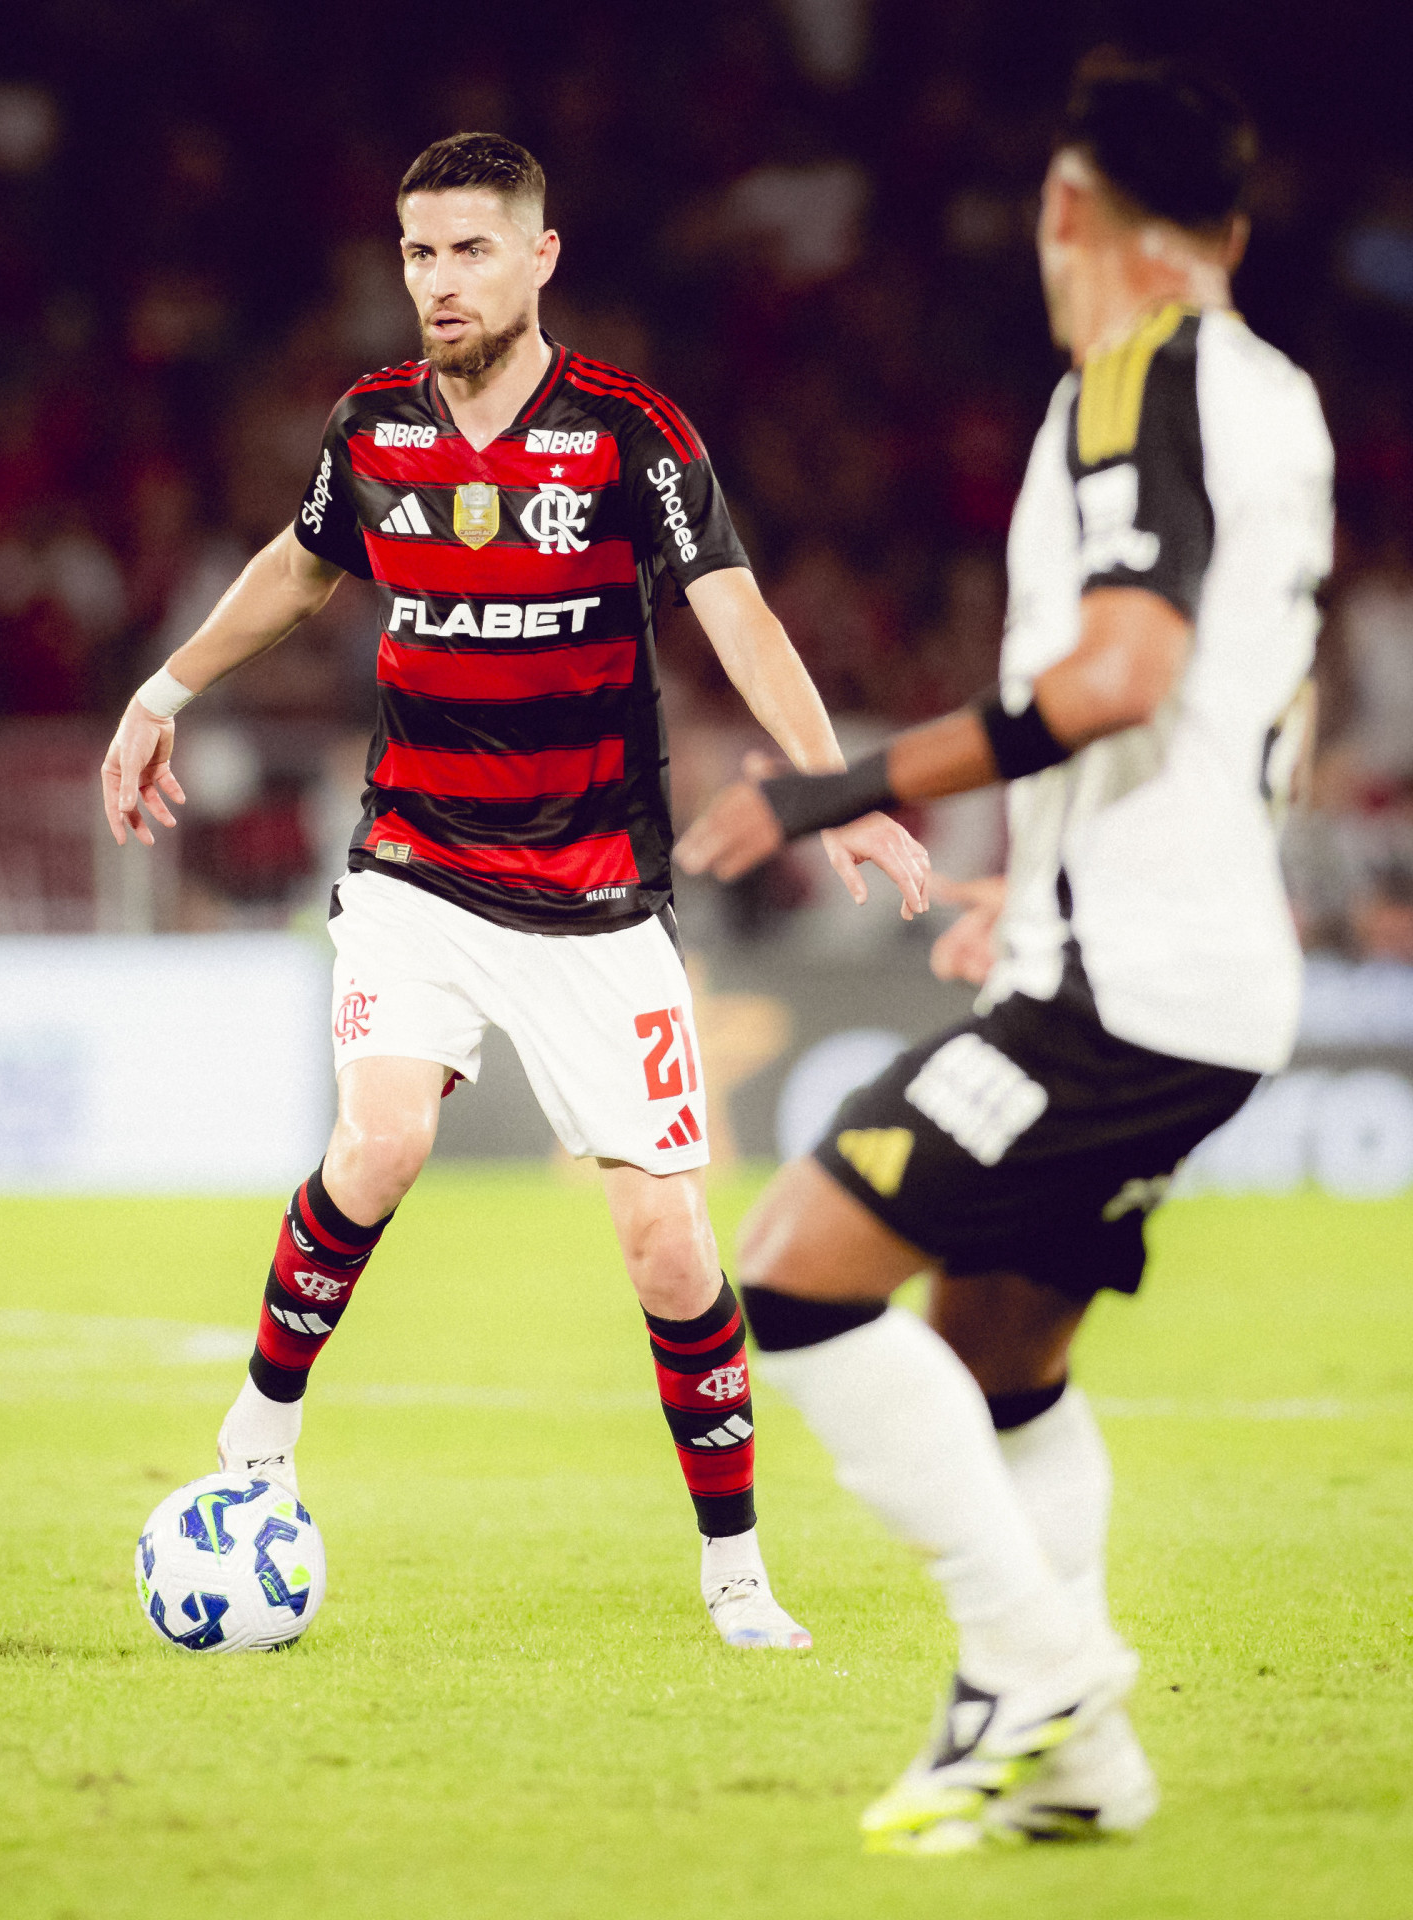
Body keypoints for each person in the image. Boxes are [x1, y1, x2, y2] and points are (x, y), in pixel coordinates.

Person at [101, 132, 928, 1651]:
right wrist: (165, 686)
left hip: (598, 891)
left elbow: (736, 615)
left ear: (541, 258)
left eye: (470, 250)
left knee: (668, 1246)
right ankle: (261, 1433)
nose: (439, 281)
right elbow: (298, 570)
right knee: (384, 1136)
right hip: (414, 862)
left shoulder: (630, 433)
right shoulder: (370, 432)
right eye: (419, 253)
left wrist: (835, 794)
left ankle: (736, 1572)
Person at [678, 55, 1333, 1838]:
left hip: (1130, 985)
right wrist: (1037, 876)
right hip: (1180, 957)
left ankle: (1031, 1668)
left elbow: (1118, 673)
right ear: (1235, 229)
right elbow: (1230, 714)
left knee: (797, 1273)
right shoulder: (1280, 398)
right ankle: (1088, 1778)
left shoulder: (1135, 374)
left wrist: (832, 793)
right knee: (995, 1346)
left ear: (1066, 209)